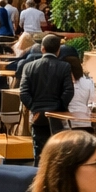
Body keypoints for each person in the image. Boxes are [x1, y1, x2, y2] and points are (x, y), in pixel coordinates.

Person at [20, 34, 76, 164]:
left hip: (37, 114)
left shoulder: (29, 67)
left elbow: (23, 93)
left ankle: (38, 179)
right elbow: (69, 91)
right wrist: (60, 106)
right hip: (56, 114)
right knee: (57, 152)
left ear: (42, 49)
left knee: (39, 151)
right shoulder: (64, 67)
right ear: (58, 50)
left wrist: (33, 107)